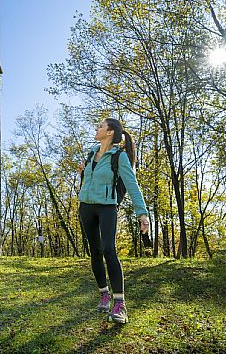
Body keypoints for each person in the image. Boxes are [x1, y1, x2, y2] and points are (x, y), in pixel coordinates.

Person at [78, 118, 149, 324]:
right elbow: (90, 179)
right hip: (86, 207)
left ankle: (120, 305)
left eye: (100, 126)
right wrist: (84, 173)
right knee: (95, 251)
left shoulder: (120, 156)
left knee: (109, 249)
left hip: (107, 207)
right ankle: (104, 294)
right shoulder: (92, 152)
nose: (96, 128)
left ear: (109, 132)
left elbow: (132, 184)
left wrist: (142, 214)